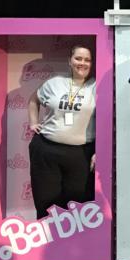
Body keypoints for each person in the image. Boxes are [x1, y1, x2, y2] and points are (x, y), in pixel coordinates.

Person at [27, 45, 96, 219]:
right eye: (78, 58)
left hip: (80, 153)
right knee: (46, 202)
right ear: (70, 61)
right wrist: (33, 123)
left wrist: (98, 150)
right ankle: (47, 244)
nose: (82, 63)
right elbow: (33, 100)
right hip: (46, 150)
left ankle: (72, 245)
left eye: (87, 59)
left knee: (77, 204)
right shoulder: (54, 83)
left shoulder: (97, 86)